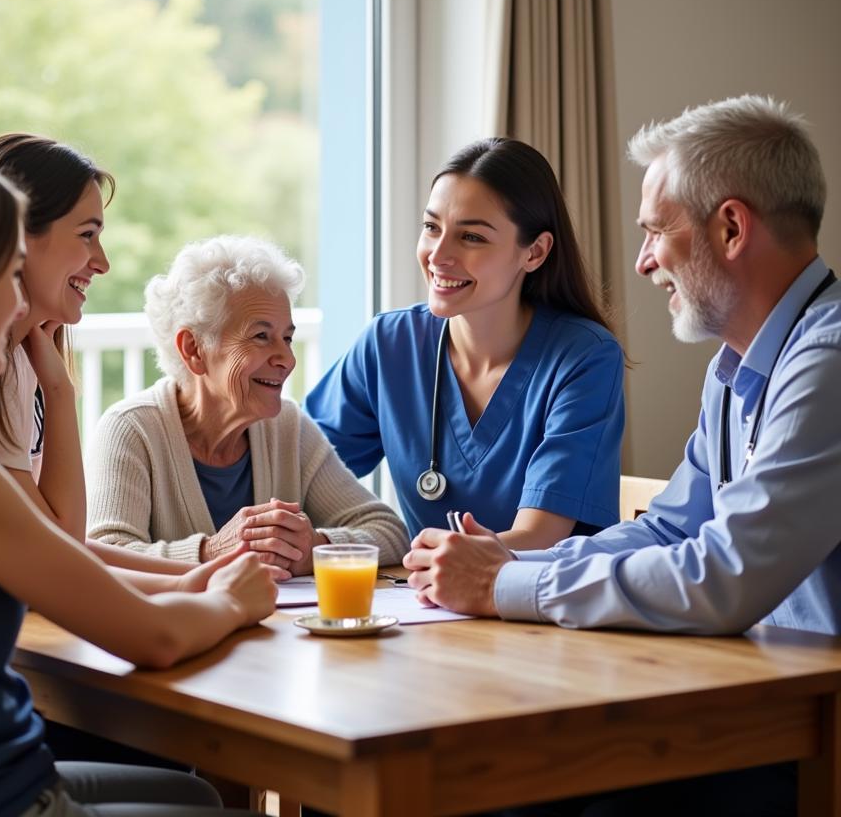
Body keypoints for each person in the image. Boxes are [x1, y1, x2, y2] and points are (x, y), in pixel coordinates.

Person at [404, 95, 840, 817]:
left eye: (655, 233)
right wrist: (511, 566)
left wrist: (504, 589)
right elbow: (669, 529)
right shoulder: (737, 371)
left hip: (813, 741)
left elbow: (725, 575)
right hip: (759, 709)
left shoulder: (825, 363)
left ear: (731, 227)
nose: (641, 263)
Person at [0, 146, 275, 817]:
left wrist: (192, 584)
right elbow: (154, 637)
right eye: (6, 273)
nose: (16, 300)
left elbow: (69, 561)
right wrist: (233, 598)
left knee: (194, 794)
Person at [305, 138, 625, 549]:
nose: (438, 256)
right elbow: (299, 472)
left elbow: (539, 535)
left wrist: (435, 560)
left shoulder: (584, 357)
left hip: (538, 603)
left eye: (471, 237)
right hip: (424, 603)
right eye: (431, 228)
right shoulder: (390, 345)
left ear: (535, 252)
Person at [0, 132, 195, 581]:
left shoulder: (18, 361)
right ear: (17, 237)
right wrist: (60, 392)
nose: (102, 262)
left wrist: (199, 575)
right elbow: (60, 547)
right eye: (87, 235)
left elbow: (59, 543)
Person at [87, 235, 409, 574]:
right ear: (194, 349)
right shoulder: (131, 429)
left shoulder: (287, 426)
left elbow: (389, 531)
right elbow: (103, 557)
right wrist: (210, 552)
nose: (287, 359)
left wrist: (314, 547)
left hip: (274, 627)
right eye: (261, 336)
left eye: (287, 337)